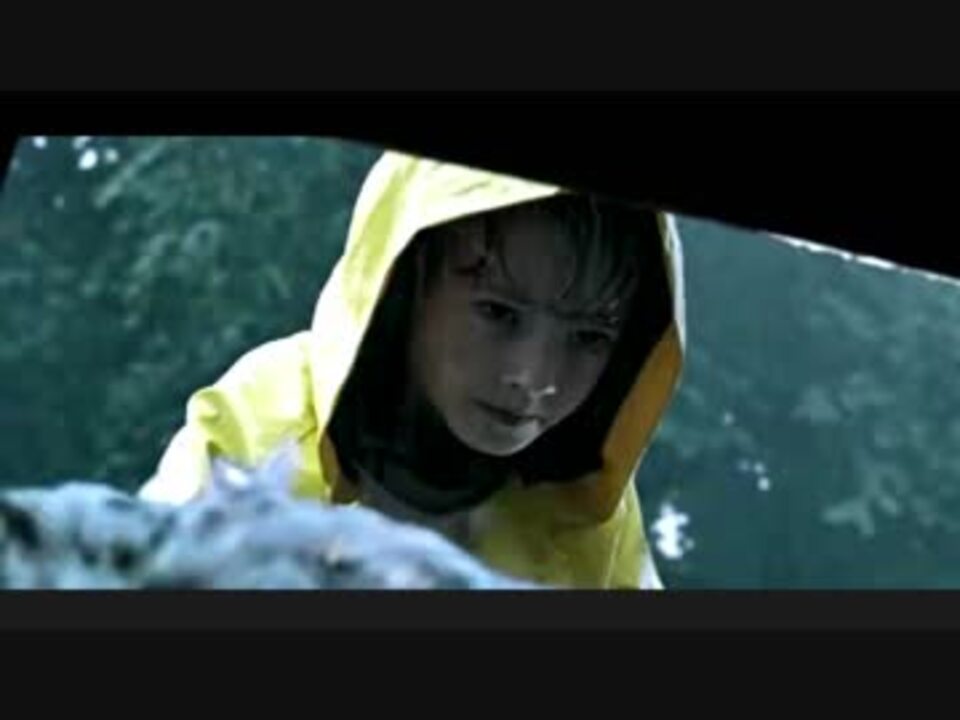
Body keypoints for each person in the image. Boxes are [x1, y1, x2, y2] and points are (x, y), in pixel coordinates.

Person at [138, 150, 687, 589]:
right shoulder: (263, 417)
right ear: (407, 281)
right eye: (499, 312)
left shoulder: (588, 514)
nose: (535, 377)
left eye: (589, 337)